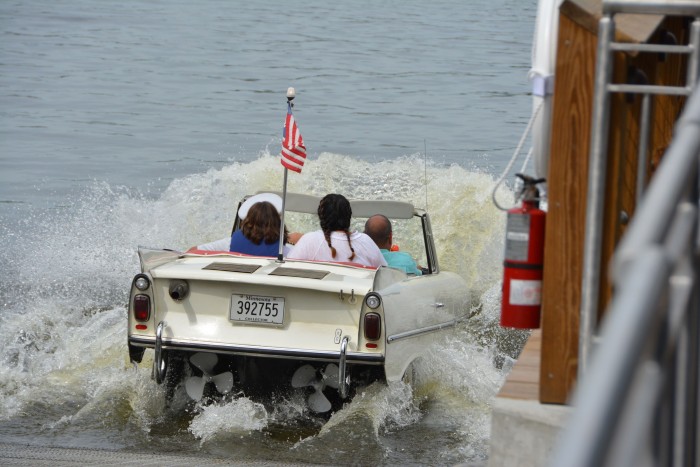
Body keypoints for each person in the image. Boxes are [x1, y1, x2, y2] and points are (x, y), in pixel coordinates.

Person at [287, 193, 387, 267]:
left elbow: (287, 269)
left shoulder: (310, 240)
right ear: (349, 217)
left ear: (322, 218)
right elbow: (385, 275)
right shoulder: (366, 242)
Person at [195, 193, 293, 256]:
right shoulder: (285, 251)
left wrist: (223, 254)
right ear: (277, 223)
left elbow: (194, 251)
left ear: (247, 222)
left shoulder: (229, 243)